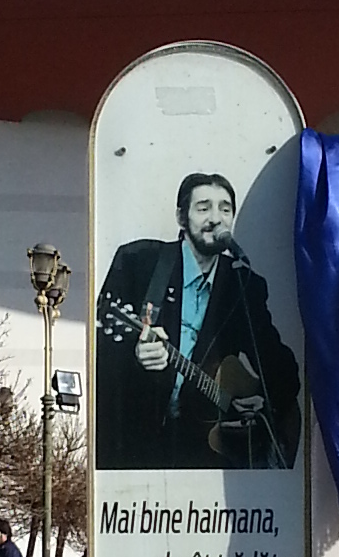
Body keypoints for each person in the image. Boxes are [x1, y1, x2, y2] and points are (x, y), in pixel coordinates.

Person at [95, 169, 302, 469]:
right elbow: (99, 352)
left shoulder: (242, 283)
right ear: (181, 218)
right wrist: (136, 354)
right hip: (137, 448)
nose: (215, 218)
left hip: (207, 458)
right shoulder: (139, 262)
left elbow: (283, 371)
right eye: (203, 208)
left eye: (225, 209)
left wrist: (264, 403)